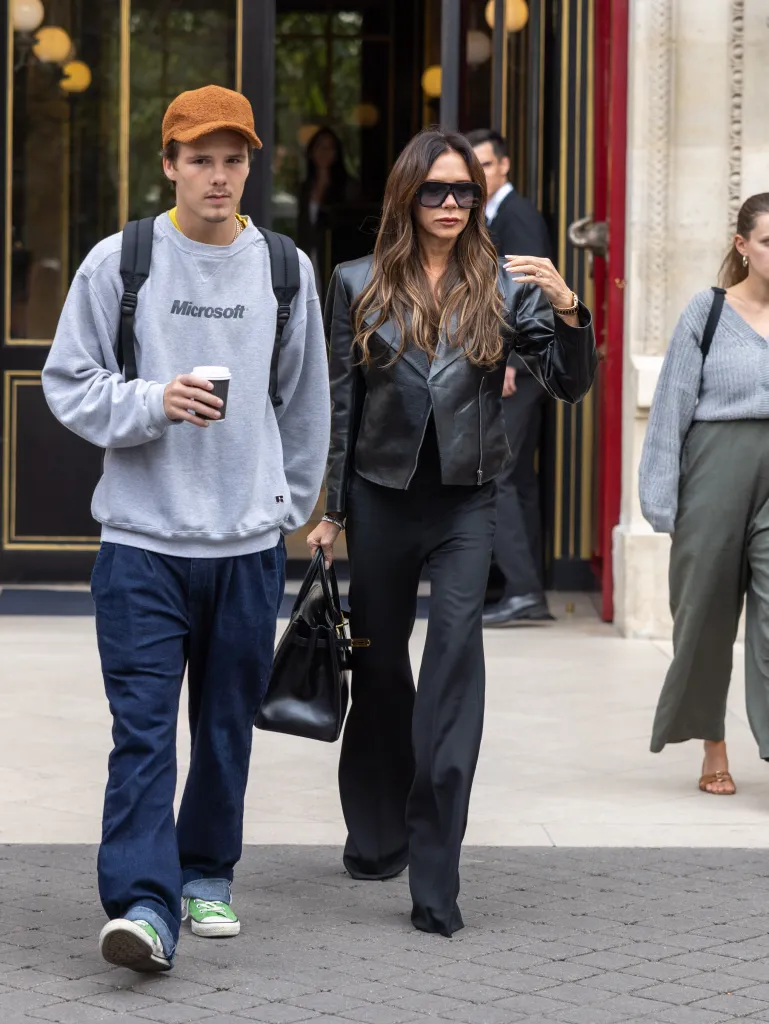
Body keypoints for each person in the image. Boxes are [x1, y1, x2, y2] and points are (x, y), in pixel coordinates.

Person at [42, 85, 330, 972]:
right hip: (141, 544)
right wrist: (151, 402)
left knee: (224, 727)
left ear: (249, 168)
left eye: (232, 160)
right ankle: (142, 903)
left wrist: (283, 507)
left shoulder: (283, 268)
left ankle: (206, 871)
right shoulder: (120, 262)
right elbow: (68, 381)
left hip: (245, 549)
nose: (218, 176)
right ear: (168, 165)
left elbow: (305, 401)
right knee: (141, 732)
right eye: (200, 159)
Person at [308, 128, 596, 936]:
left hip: (468, 500)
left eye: (462, 191)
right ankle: (377, 834)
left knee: (451, 674)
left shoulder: (505, 284)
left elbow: (567, 384)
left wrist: (568, 307)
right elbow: (341, 405)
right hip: (379, 499)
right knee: (380, 673)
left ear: (477, 198)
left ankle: (435, 875)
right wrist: (330, 511)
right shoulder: (355, 282)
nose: (448, 203)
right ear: (407, 195)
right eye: (433, 190)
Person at [639, 192, 769, 796]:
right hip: (715, 472)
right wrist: (660, 498)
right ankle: (712, 746)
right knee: (706, 617)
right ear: (743, 246)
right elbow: (670, 407)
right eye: (768, 241)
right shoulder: (707, 311)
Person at [467, 128, 554, 625]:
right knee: (516, 478)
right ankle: (523, 587)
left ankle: (523, 590)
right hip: (518, 367)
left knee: (498, 474)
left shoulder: (516, 215)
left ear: (503, 166)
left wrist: (510, 362)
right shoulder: (492, 213)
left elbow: (530, 289)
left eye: (485, 165)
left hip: (516, 369)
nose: (477, 175)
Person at [297, 127, 360, 292]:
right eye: (320, 146)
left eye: (329, 147)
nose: (324, 152)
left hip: (335, 257)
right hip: (308, 255)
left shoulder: (348, 187)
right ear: (311, 152)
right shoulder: (305, 187)